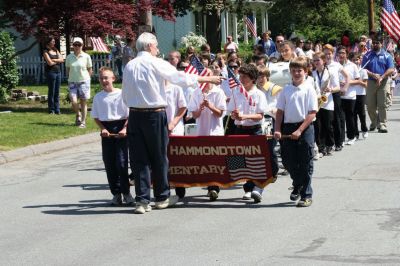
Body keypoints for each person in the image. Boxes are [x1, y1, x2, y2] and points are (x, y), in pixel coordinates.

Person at [122, 32, 223, 214]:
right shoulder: (155, 62)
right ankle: (161, 197)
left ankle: (142, 200)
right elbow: (179, 78)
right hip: (154, 114)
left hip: (135, 114)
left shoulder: (129, 65)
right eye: (156, 46)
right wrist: (207, 78)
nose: (158, 49)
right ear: (149, 47)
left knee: (139, 159)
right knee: (159, 157)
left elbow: (125, 94)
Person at [274, 56, 318, 207]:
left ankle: (306, 194)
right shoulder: (286, 89)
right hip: (288, 127)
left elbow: (312, 113)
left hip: (304, 128)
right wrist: (277, 129)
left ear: (305, 71)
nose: (297, 73)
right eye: (294, 70)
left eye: (299, 70)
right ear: (290, 72)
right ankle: (297, 184)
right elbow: (279, 112)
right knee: (288, 161)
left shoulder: (309, 89)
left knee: (305, 162)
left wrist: (300, 130)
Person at [91, 67, 133, 206]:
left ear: (113, 79)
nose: (104, 81)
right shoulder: (98, 97)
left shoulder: (122, 94)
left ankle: (126, 193)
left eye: (106, 78)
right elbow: (96, 117)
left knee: (121, 163)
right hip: (107, 131)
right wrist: (103, 129)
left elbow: (129, 114)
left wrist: (125, 128)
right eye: (102, 78)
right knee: (109, 163)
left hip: (121, 128)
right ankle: (116, 194)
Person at [227, 64, 268, 203]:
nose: (241, 79)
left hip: (254, 130)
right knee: (239, 160)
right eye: (240, 76)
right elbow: (231, 113)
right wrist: (235, 115)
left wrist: (244, 116)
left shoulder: (259, 94)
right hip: (239, 130)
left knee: (256, 160)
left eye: (244, 77)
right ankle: (247, 188)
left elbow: (260, 115)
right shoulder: (236, 92)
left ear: (252, 79)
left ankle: (257, 188)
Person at [188, 68, 226, 201]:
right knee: (205, 160)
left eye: (208, 75)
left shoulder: (218, 92)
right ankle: (208, 184)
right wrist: (200, 108)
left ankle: (214, 187)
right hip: (202, 132)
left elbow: (220, 113)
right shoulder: (196, 93)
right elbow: (194, 114)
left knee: (215, 160)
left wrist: (210, 106)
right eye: (203, 76)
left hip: (215, 131)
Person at [361, 35, 395, 133]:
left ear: (381, 44)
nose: (375, 44)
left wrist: (382, 76)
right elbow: (363, 69)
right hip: (371, 81)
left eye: (377, 43)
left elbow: (391, 69)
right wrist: (372, 74)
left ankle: (383, 124)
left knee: (382, 104)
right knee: (370, 105)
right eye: (374, 43)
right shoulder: (367, 55)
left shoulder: (387, 55)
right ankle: (374, 122)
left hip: (383, 82)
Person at [323, 44, 349, 151]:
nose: (327, 56)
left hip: (335, 93)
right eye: (325, 54)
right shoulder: (321, 65)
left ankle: (339, 142)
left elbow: (347, 76)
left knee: (336, 118)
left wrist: (345, 88)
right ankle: (328, 143)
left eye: (329, 54)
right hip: (324, 95)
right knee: (326, 119)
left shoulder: (336, 65)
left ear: (333, 54)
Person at [65, 37, 93, 128]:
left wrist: (87, 79)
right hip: (72, 82)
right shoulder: (69, 57)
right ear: (73, 46)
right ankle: (78, 114)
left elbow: (90, 69)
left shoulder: (86, 56)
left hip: (84, 82)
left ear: (82, 45)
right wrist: (69, 78)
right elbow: (68, 70)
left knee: (83, 102)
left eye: (79, 45)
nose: (77, 46)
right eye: (75, 44)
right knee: (73, 101)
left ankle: (83, 122)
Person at [337, 46, 360, 146]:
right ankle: (341, 139)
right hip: (339, 95)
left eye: (343, 53)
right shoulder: (335, 65)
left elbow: (358, 80)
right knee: (340, 118)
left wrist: (347, 82)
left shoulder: (352, 65)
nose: (341, 55)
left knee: (350, 117)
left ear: (346, 54)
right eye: (339, 53)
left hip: (350, 95)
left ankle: (351, 136)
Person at [349, 52, 369, 140]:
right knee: (353, 115)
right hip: (352, 95)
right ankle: (355, 133)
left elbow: (365, 84)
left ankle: (364, 129)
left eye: (357, 60)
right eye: (354, 60)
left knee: (362, 114)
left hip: (361, 94)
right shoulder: (349, 71)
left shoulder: (363, 71)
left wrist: (359, 81)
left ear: (360, 60)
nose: (356, 61)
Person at [43, 36, 63, 115]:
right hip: (50, 73)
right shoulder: (45, 51)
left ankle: (57, 109)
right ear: (49, 42)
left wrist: (54, 60)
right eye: (53, 41)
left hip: (58, 72)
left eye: (54, 41)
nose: (54, 42)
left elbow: (62, 60)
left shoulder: (56, 50)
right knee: (52, 91)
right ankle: (51, 110)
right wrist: (57, 61)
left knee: (57, 92)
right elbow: (49, 63)